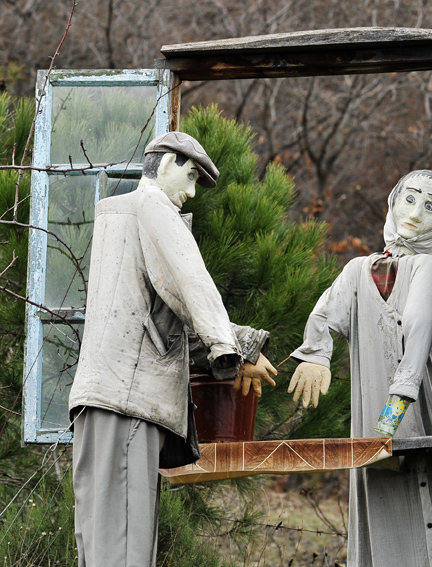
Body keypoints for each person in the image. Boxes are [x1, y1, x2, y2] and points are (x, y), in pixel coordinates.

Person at [69, 131, 277, 567]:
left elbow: (158, 316)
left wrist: (244, 345)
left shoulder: (116, 214)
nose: (191, 191)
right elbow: (190, 287)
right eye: (191, 176)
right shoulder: (152, 207)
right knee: (124, 546)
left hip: (99, 396)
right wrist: (233, 349)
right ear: (164, 164)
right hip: (129, 400)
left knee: (99, 538)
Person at [288, 170, 432, 567]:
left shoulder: (430, 267)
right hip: (369, 405)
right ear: (393, 201)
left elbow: (417, 333)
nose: (415, 212)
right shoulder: (359, 269)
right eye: (409, 199)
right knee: (377, 498)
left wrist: (392, 416)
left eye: (431, 207)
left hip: (413, 408)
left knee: (424, 500)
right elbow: (325, 313)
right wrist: (315, 355)